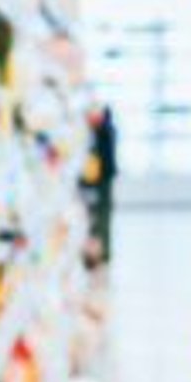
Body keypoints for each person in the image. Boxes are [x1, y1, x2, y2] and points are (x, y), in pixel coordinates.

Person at [80, 102, 118, 266]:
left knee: (101, 218)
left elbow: (98, 159)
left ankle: (102, 253)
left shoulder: (104, 132)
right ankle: (101, 252)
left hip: (102, 181)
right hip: (101, 180)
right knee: (102, 217)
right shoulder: (106, 130)